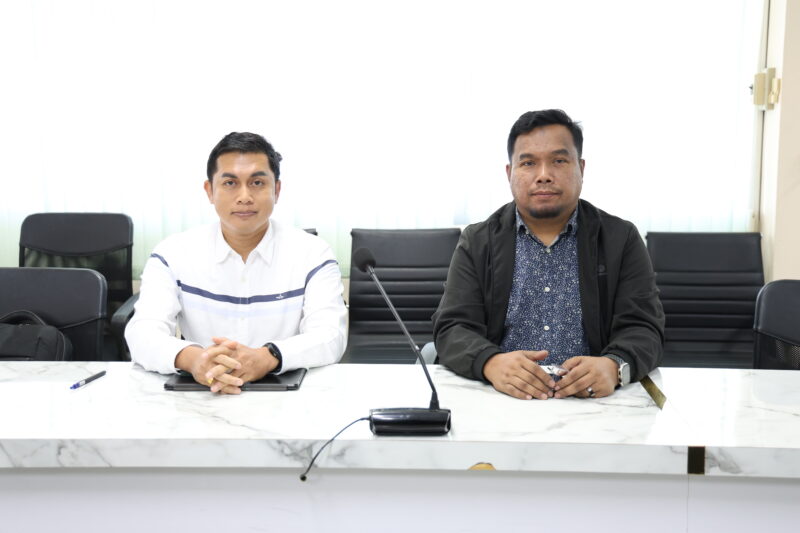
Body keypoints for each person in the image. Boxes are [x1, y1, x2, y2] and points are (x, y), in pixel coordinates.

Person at [433, 109, 664, 400]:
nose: (543, 175)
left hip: (593, 402)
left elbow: (644, 328)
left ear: (581, 168)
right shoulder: (478, 241)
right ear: (510, 173)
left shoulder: (621, 239)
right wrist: (489, 362)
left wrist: (614, 366)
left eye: (558, 161)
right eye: (528, 163)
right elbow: (452, 327)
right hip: (501, 398)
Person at [126, 132, 347, 394]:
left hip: (287, 396)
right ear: (210, 191)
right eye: (230, 183)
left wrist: (268, 356)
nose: (244, 196)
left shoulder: (314, 254)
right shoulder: (172, 254)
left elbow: (330, 335)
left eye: (257, 183)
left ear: (276, 190)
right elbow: (142, 332)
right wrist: (195, 359)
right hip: (202, 394)